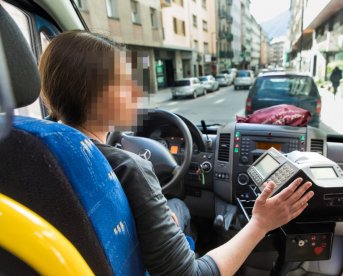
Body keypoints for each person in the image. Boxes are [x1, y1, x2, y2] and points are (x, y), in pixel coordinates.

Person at [39, 31, 314, 276]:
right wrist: (261, 223)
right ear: (95, 94)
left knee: (176, 209)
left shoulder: (33, 146)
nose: (137, 92)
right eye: (124, 82)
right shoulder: (128, 167)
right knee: (180, 207)